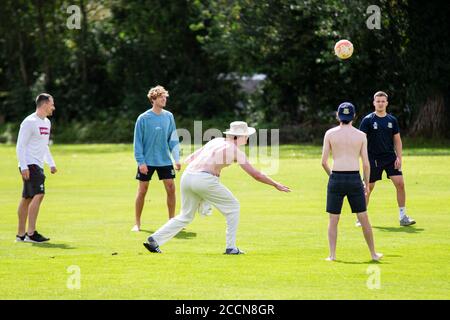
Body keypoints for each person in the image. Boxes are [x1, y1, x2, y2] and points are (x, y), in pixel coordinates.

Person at [143, 121, 290, 254]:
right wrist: (275, 184)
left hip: (188, 176)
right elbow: (256, 174)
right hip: (204, 179)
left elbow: (192, 158)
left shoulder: (217, 141)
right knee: (233, 206)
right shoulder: (236, 151)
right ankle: (231, 247)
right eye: (246, 136)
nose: (247, 138)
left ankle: (155, 239)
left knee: (185, 215)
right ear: (238, 136)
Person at [321, 102, 382, 261]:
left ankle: (332, 255)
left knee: (333, 219)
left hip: (336, 177)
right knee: (363, 218)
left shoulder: (330, 134)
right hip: (355, 178)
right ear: (354, 116)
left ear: (337, 116)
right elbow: (366, 164)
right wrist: (366, 184)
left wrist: (332, 176)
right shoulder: (361, 136)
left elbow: (323, 162)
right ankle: (373, 254)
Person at [359, 91, 415, 226]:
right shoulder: (368, 120)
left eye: (383, 101)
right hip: (373, 159)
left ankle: (403, 217)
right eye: (378, 101)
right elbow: (360, 140)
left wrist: (399, 157)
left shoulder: (392, 120)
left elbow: (397, 140)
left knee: (400, 184)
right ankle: (361, 217)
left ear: (387, 103)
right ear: (374, 103)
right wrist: (364, 159)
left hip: (390, 158)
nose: (380, 103)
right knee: (368, 187)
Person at [132, 85, 181, 232]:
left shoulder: (169, 116)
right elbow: (138, 141)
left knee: (171, 188)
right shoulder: (143, 118)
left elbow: (173, 139)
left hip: (164, 160)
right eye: (161, 97)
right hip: (146, 162)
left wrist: (176, 159)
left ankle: (171, 222)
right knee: (142, 190)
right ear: (154, 99)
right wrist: (141, 162)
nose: (164, 100)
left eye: (165, 98)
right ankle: (137, 224)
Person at [15, 93, 57, 243]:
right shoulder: (29, 122)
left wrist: (51, 163)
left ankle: (20, 235)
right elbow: (21, 145)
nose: (53, 107)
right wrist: (24, 165)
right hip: (29, 164)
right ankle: (31, 233)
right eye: (52, 104)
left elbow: (43, 146)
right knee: (39, 194)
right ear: (44, 104)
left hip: (38, 165)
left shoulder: (46, 122)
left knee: (27, 198)